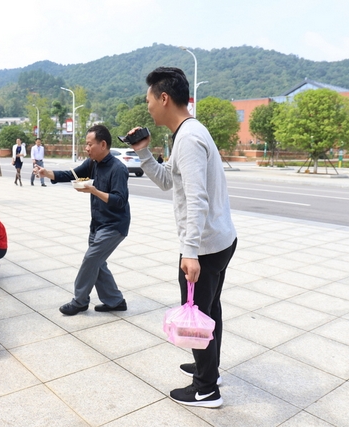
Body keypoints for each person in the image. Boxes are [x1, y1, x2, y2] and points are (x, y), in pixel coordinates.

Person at [129, 67, 237, 408]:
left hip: (203, 247)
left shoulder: (188, 138)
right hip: (219, 240)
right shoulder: (188, 132)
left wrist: (189, 252)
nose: (148, 107)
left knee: (198, 312)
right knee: (209, 311)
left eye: (148, 99)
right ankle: (210, 370)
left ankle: (206, 389)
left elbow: (197, 199)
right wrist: (143, 152)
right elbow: (168, 181)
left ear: (164, 98)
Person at [34, 124, 130, 316]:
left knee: (91, 259)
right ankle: (115, 301)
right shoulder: (93, 163)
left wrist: (94, 191)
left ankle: (79, 301)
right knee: (97, 263)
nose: (86, 148)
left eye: (89, 144)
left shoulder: (118, 169)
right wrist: (47, 173)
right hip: (97, 223)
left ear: (103, 144)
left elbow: (119, 200)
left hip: (114, 225)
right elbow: (72, 174)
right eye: (86, 144)